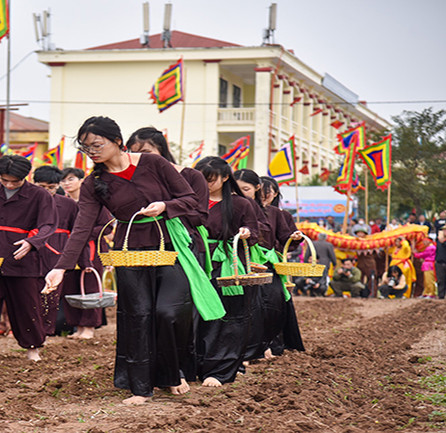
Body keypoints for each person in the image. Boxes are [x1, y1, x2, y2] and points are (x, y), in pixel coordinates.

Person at [43, 116, 218, 405]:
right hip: (129, 249)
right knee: (137, 317)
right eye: (87, 148)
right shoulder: (93, 183)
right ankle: (141, 387)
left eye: (97, 145)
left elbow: (190, 199)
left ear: (117, 141)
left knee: (169, 312)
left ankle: (173, 372)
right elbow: (82, 227)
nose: (92, 152)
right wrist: (60, 267)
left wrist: (165, 206)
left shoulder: (153, 164)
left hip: (170, 244)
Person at [0, 155, 57, 362]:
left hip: (22, 257)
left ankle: (33, 348)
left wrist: (32, 242)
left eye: (14, 181)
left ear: (25, 177)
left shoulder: (39, 195)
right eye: (4, 180)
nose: (9, 184)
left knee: (26, 305)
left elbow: (48, 225)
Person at [193, 156, 259, 387]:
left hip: (224, 263)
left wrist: (246, 232)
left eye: (210, 180)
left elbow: (254, 232)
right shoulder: (192, 201)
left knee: (226, 316)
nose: (206, 184)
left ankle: (219, 369)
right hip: (195, 261)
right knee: (195, 315)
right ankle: (193, 366)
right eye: (201, 179)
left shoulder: (241, 204)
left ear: (224, 179)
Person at [235, 169, 304, 359]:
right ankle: (250, 348)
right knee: (246, 306)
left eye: (246, 188)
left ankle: (266, 343)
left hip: (268, 263)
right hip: (241, 260)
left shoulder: (276, 213)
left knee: (273, 302)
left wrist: (293, 238)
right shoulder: (236, 206)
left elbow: (284, 237)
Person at [33, 165, 103, 339]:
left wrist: (84, 260)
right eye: (42, 187)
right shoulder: (28, 203)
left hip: (63, 253)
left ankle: (61, 330)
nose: (47, 191)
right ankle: (34, 331)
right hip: (34, 252)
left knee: (72, 291)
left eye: (52, 187)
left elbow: (79, 234)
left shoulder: (69, 204)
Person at [352, 224, 377, 297]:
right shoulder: (354, 242)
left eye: (361, 233)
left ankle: (373, 293)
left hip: (370, 263)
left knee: (371, 279)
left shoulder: (371, 241)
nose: (359, 234)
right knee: (360, 278)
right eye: (358, 233)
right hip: (360, 263)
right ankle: (360, 293)